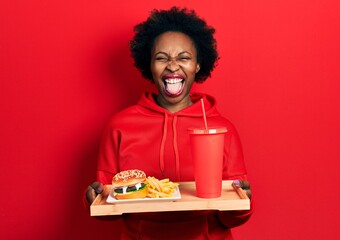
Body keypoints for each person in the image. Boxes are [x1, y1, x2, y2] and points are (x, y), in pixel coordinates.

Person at [85, 6, 254, 240]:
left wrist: (242, 201)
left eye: (184, 58)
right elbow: (111, 206)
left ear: (197, 65)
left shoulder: (222, 128)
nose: (173, 66)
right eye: (161, 58)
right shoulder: (120, 126)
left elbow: (231, 214)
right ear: (149, 66)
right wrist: (94, 198)